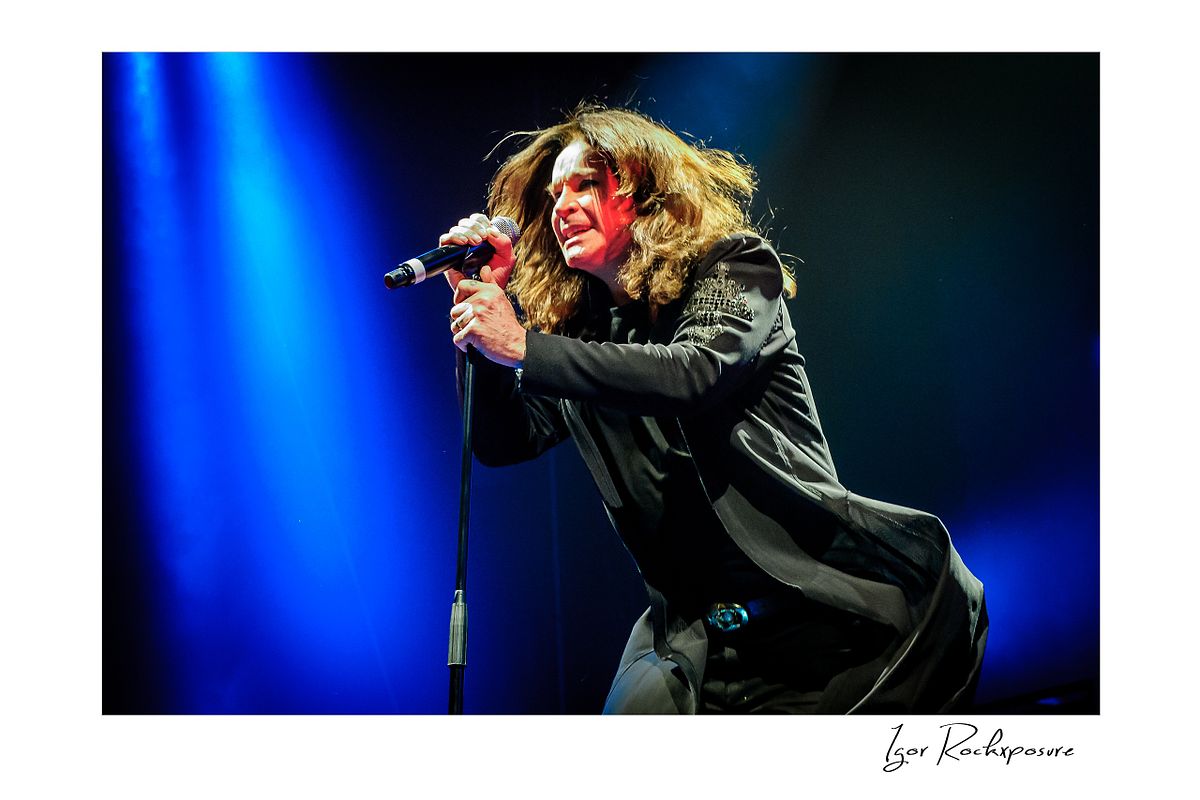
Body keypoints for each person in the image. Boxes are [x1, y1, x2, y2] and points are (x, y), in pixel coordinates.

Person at [438, 105, 987, 713]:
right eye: (554, 193)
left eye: (584, 183)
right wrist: (487, 329)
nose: (561, 205)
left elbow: (692, 372)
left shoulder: (736, 267)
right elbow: (505, 440)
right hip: (693, 641)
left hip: (815, 616)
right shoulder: (583, 332)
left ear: (644, 187)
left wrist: (522, 345)